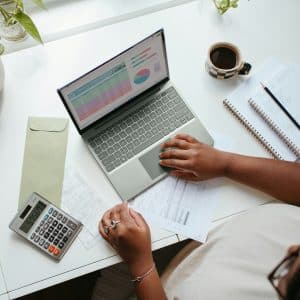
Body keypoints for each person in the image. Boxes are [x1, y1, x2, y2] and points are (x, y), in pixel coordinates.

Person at [99, 134, 300, 300]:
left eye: (289, 266)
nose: (292, 247)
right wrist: (226, 164)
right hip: (206, 240)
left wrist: (140, 262)